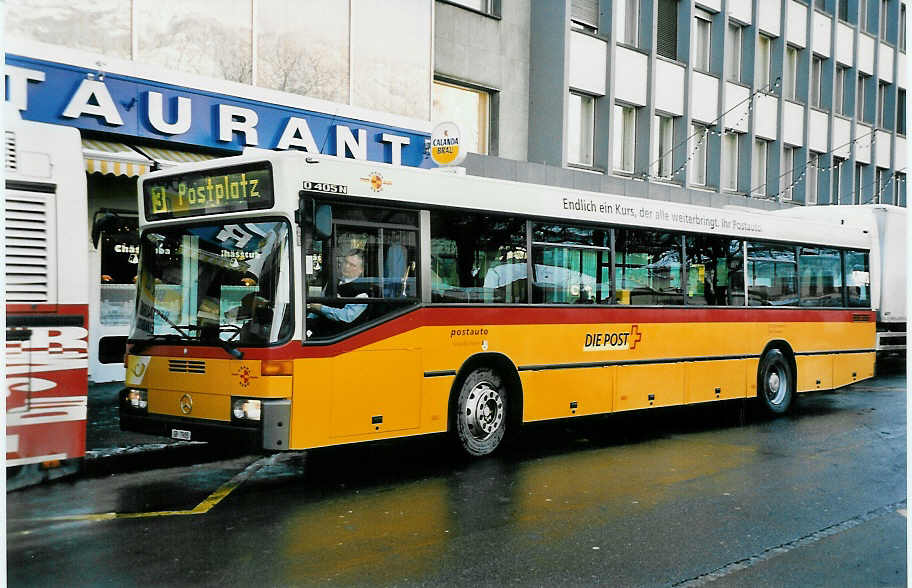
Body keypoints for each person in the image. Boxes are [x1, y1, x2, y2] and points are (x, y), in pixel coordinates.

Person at [307, 249, 370, 324]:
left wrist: (321, 308)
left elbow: (346, 316)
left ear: (361, 270)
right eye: (345, 262)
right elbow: (320, 302)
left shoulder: (362, 292)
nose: (346, 266)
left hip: (343, 333)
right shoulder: (332, 282)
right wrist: (309, 319)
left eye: (352, 265)